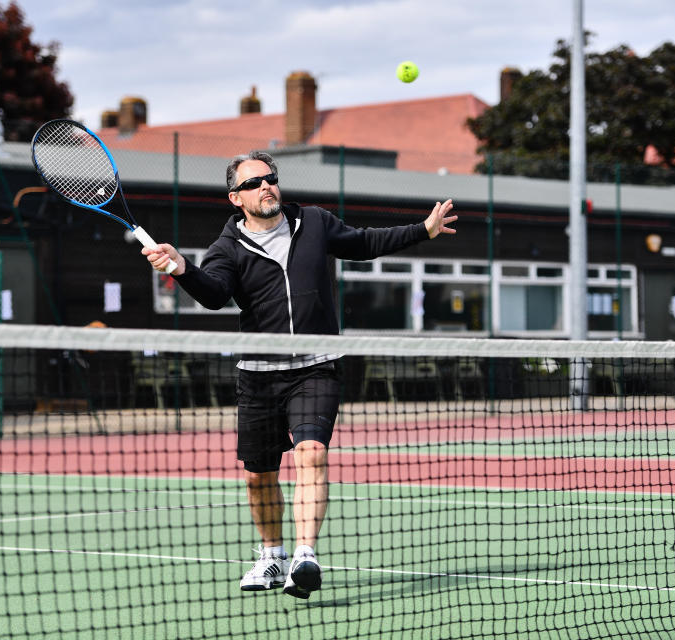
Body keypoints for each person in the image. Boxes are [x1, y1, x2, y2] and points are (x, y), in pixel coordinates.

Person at [143, 150, 456, 599]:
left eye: (270, 178)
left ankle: (304, 555)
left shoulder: (314, 221)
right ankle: (271, 554)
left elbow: (364, 243)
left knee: (311, 452)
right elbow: (214, 294)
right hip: (258, 375)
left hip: (315, 367)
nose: (265, 186)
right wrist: (181, 267)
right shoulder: (226, 248)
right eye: (253, 183)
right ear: (236, 197)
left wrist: (422, 231)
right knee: (258, 476)